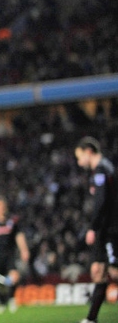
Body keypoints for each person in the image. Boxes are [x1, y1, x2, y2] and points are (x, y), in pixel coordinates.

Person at [74, 136, 118, 323]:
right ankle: (91, 319)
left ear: (88, 151)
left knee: (114, 270)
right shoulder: (103, 170)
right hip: (105, 228)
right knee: (97, 270)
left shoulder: (102, 169)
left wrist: (93, 227)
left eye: (79, 157)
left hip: (111, 228)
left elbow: (102, 202)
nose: (78, 162)